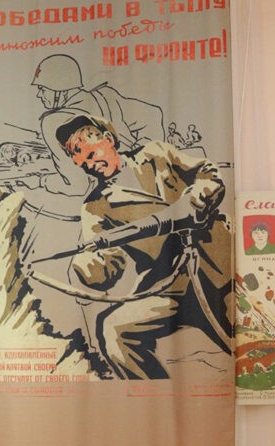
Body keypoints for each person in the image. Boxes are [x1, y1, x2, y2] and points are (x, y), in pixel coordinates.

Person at [53, 114, 231, 378]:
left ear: (108, 139)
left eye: (91, 155)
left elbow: (206, 172)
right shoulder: (95, 207)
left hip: (216, 264)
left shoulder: (155, 154)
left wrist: (202, 191)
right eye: (83, 164)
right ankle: (153, 394)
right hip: (168, 287)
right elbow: (107, 267)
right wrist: (89, 266)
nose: (90, 166)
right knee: (113, 330)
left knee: (248, 343)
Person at [33, 54, 167, 194]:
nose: (39, 95)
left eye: (42, 89)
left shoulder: (52, 122)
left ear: (61, 90)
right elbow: (153, 114)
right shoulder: (105, 97)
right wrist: (142, 159)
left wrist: (42, 181)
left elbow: (77, 186)